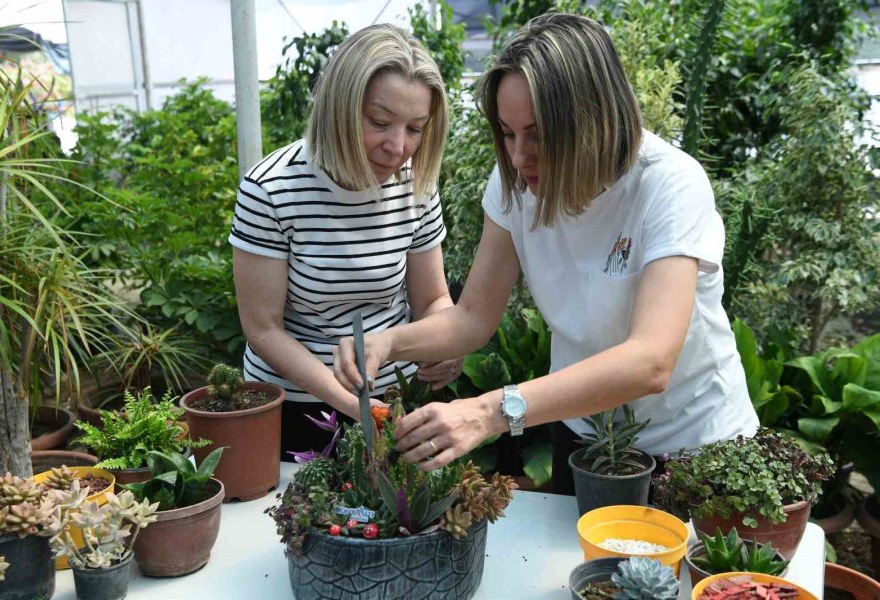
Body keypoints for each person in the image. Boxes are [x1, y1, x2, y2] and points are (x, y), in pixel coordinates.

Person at [333, 13, 759, 494]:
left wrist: (485, 412)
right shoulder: (516, 185)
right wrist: (390, 343)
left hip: (694, 450)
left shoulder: (668, 185)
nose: (518, 157)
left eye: (537, 134)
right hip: (584, 440)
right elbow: (473, 316)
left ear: (594, 117)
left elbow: (651, 360)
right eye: (508, 133)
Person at [229, 24, 463, 457]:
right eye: (379, 122)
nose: (398, 147)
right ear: (340, 106)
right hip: (294, 408)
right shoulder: (271, 188)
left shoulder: (416, 185)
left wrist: (446, 345)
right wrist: (353, 404)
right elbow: (263, 328)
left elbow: (433, 299)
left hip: (397, 400)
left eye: (416, 128)